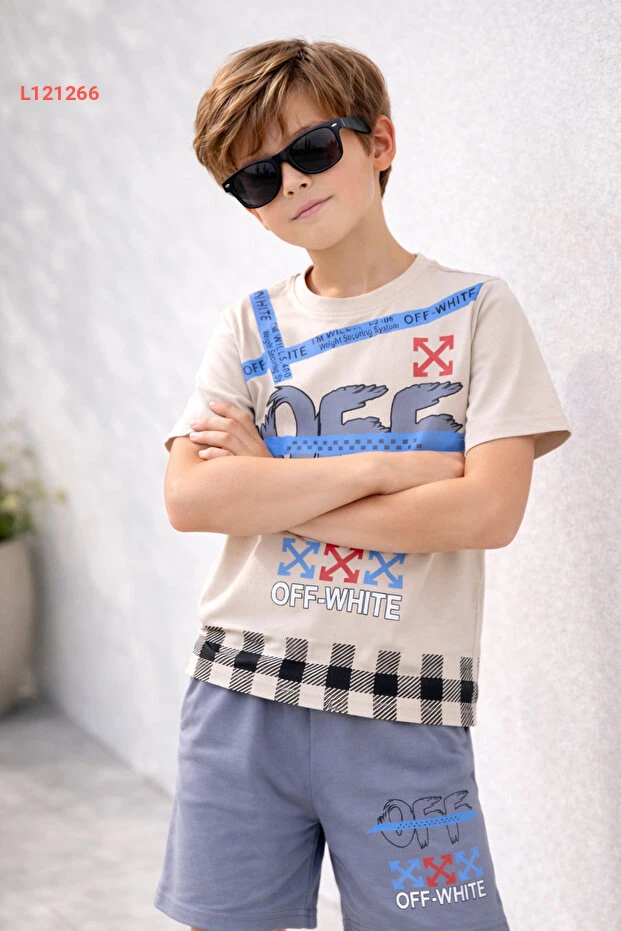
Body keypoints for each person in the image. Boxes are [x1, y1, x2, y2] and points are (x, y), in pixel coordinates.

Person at [154, 37, 571, 931]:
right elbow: (192, 499)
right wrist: (386, 468)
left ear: (377, 142)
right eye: (255, 178)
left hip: (401, 707)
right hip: (239, 696)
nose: (291, 183)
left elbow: (484, 510)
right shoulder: (247, 326)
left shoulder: (477, 311)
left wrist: (272, 482)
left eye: (310, 148)